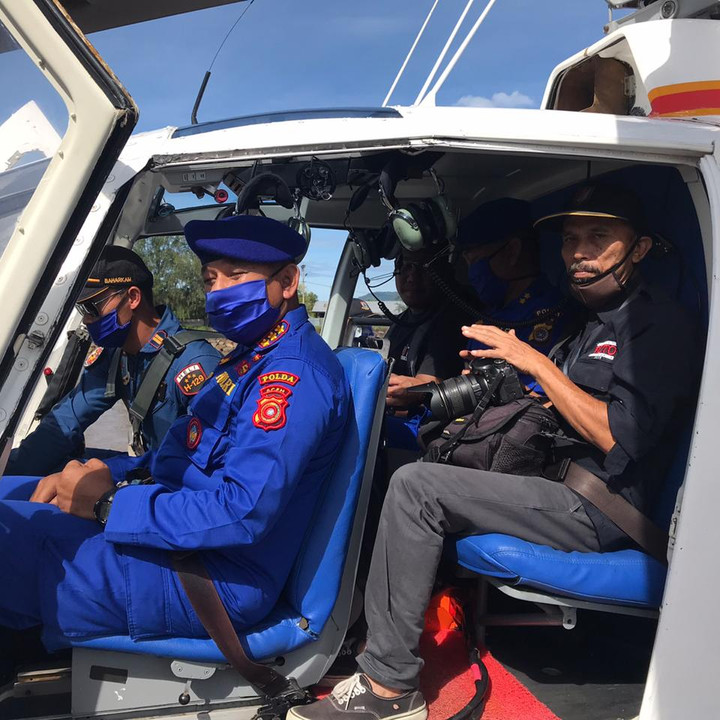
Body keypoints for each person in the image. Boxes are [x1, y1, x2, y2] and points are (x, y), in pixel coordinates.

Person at [290, 184, 699, 720]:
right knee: (419, 462)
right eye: (570, 238)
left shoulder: (657, 325)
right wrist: (459, 386)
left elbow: (621, 436)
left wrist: (537, 364)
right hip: (556, 480)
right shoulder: (591, 323)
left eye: (598, 237)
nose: (579, 252)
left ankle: (389, 687)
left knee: (417, 488)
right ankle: (355, 628)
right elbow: (542, 399)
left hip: (600, 506)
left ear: (639, 249)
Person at [0, 215, 350, 686]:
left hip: (216, 576)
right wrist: (103, 474)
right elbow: (175, 457)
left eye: (235, 276)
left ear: (288, 282)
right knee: (11, 497)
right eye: (210, 279)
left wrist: (108, 504)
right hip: (185, 540)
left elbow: (241, 512)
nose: (218, 291)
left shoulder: (291, 377)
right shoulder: (248, 359)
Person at [6, 246, 220, 476]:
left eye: (91, 307)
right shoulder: (116, 356)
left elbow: (202, 466)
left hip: (177, 479)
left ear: (133, 298)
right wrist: (9, 468)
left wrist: (112, 471)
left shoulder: (195, 364)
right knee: (55, 472)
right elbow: (67, 419)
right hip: (151, 466)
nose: (86, 320)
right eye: (81, 310)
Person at [458, 197, 579, 389]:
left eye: (476, 261)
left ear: (512, 251)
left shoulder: (553, 314)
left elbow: (545, 396)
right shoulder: (488, 315)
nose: (472, 273)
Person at [383, 244, 470, 442]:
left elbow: (429, 382)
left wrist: (412, 390)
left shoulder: (452, 321)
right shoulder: (402, 320)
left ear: (443, 273)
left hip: (429, 432)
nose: (412, 277)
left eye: (424, 267)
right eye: (405, 267)